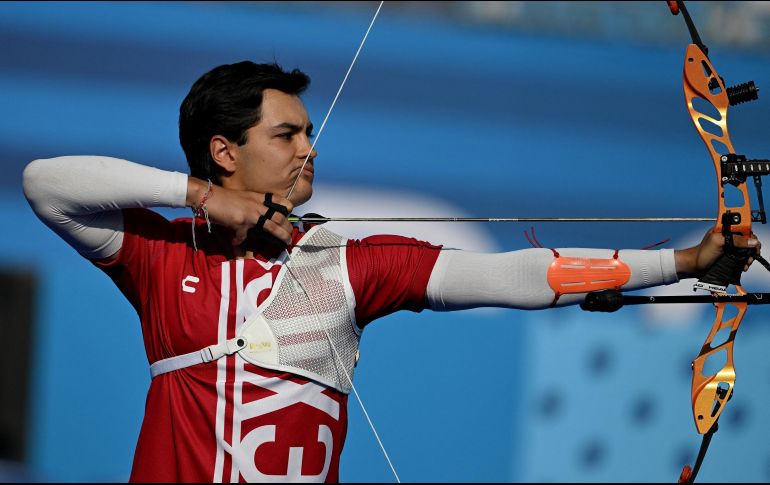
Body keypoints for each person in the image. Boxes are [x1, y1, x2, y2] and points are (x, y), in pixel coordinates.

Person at [22, 61, 760, 483]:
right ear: (224, 150)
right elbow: (45, 183)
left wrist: (686, 261)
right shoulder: (165, 255)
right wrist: (201, 200)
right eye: (287, 134)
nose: (310, 147)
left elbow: (517, 277)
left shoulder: (349, 264)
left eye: (310, 131)